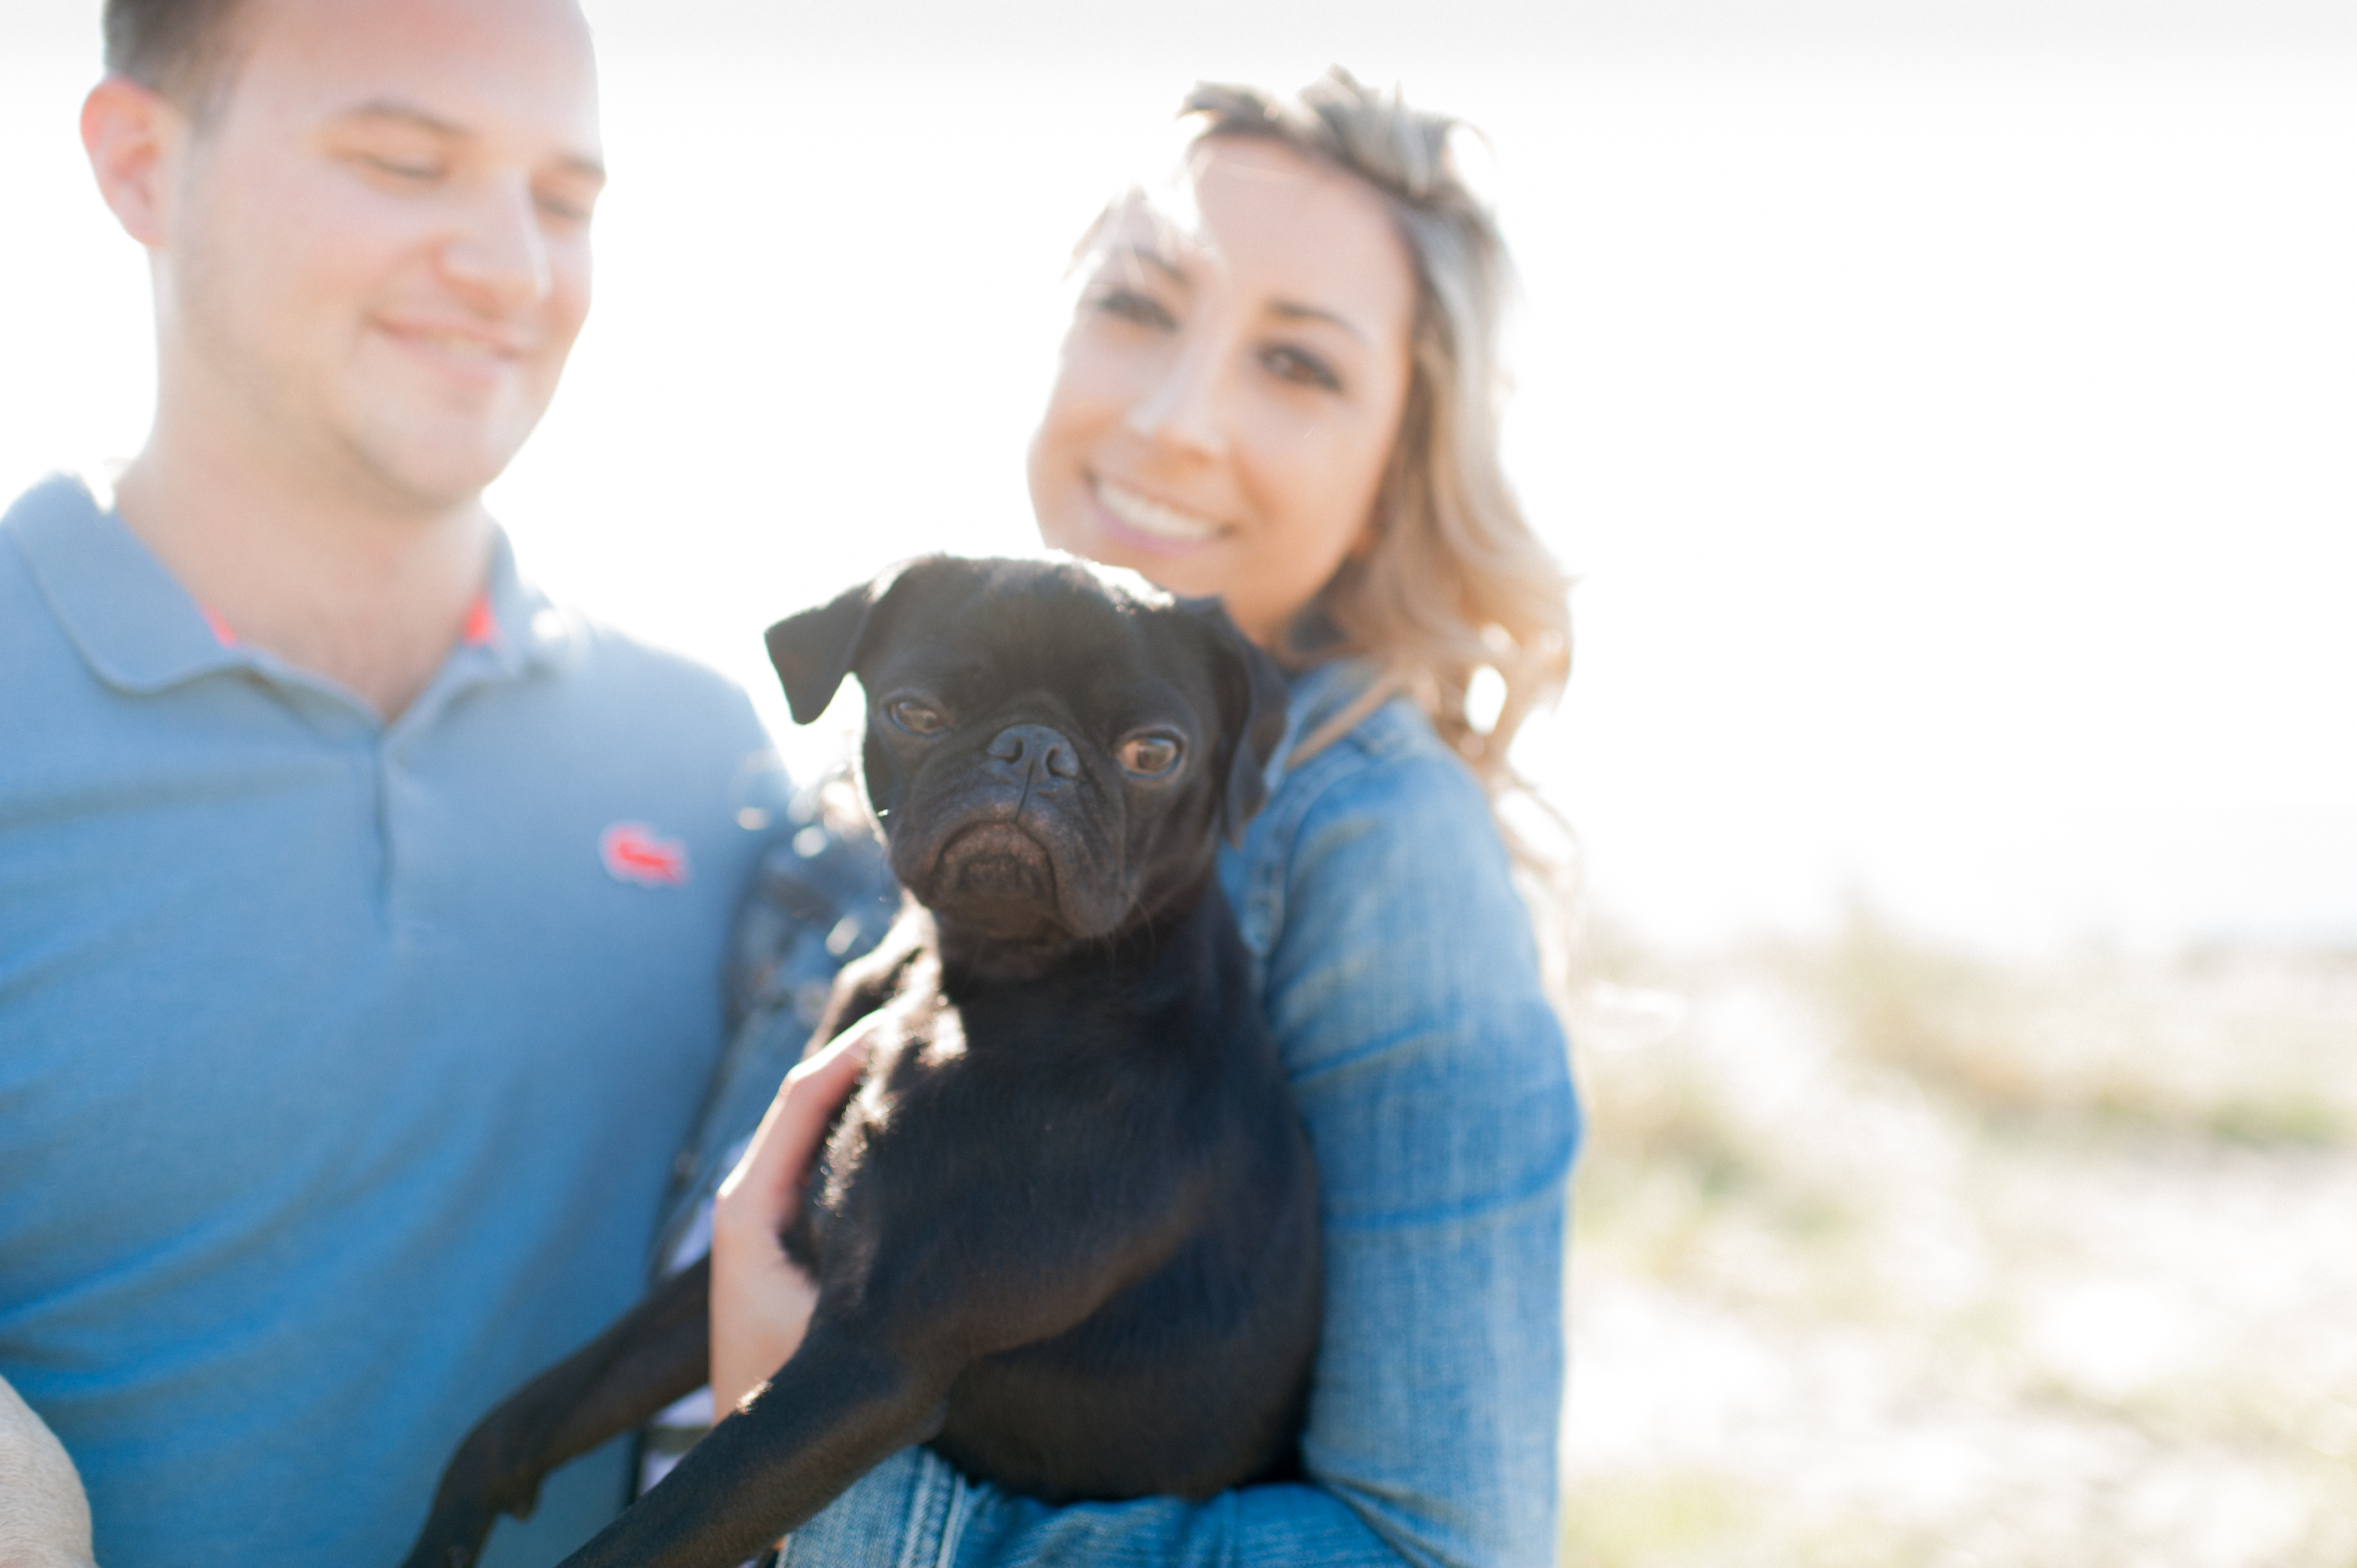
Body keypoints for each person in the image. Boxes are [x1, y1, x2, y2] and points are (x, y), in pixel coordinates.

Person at [682, 70, 1582, 1568]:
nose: (1174, 420)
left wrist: (815, 1484)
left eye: (1297, 365)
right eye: (1140, 306)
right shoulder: (910, 741)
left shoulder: (1378, 846)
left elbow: (1437, 1550)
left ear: (1400, 459)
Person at [0, 1, 788, 1563]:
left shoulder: (714, 771)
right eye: (406, 162)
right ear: (142, 165)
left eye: (563, 201)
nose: (511, 266)